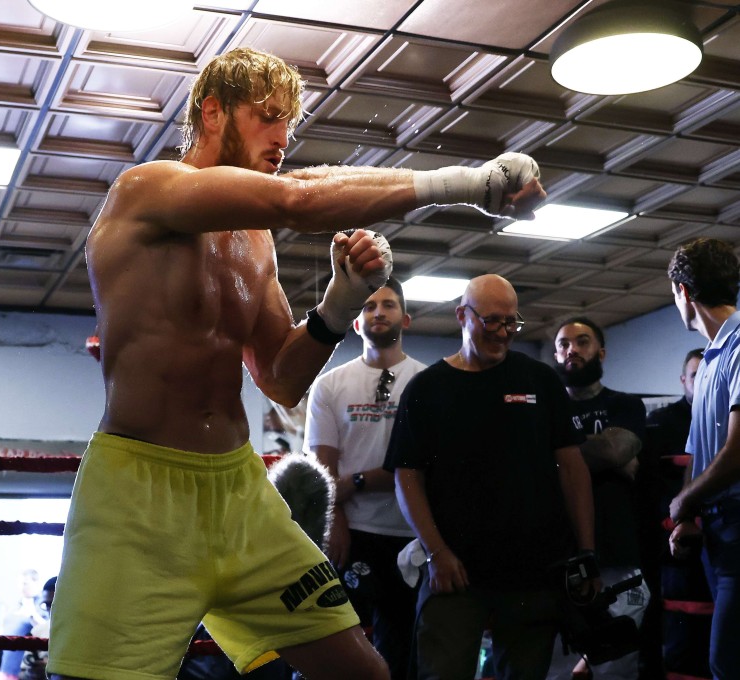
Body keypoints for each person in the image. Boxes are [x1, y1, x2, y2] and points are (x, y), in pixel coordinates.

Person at [44, 45, 547, 680]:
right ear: (212, 112)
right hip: (137, 495)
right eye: (267, 116)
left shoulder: (253, 243)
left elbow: (281, 378)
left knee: (367, 675)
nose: (283, 136)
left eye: (289, 121)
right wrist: (470, 185)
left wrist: (340, 303)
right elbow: (297, 199)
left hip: (238, 492)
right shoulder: (147, 189)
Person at [385, 274, 596, 680]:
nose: (502, 332)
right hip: (454, 571)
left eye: (511, 322)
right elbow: (406, 478)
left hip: (534, 572)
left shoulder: (540, 381)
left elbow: (572, 468)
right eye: (491, 321)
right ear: (462, 316)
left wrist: (586, 551)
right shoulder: (428, 389)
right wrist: (436, 552)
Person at [304, 277, 426, 679]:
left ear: (405, 319)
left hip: (410, 534)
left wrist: (356, 481)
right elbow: (323, 466)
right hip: (351, 532)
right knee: (341, 652)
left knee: (399, 653)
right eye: (369, 306)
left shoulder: (427, 383)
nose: (378, 312)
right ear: (356, 323)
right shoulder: (329, 385)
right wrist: (335, 521)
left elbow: (416, 468)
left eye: (388, 305)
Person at [548, 317, 650, 680]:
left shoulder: (625, 405)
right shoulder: (547, 410)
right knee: (558, 669)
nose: (571, 350)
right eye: (563, 344)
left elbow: (615, 451)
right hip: (561, 554)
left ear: (601, 352)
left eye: (582, 342)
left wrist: (553, 453)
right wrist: (605, 456)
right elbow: (610, 455)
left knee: (614, 666)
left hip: (616, 553)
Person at [666, 237, 740, 680]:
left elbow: (738, 452)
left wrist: (682, 502)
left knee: (728, 662)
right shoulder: (710, 360)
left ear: (684, 292)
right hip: (716, 530)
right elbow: (697, 452)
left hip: (737, 523)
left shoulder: (739, 348)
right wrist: (688, 515)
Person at [646, 348, 711, 678]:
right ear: (683, 379)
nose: (703, 380)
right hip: (674, 549)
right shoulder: (661, 423)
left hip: (720, 542)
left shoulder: (728, 422)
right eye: (696, 374)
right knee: (680, 635)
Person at [1, 577, 55, 680]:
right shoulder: (38, 631)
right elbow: (23, 672)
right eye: (47, 605)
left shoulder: (81, 634)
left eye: (54, 604)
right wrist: (32, 673)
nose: (50, 610)